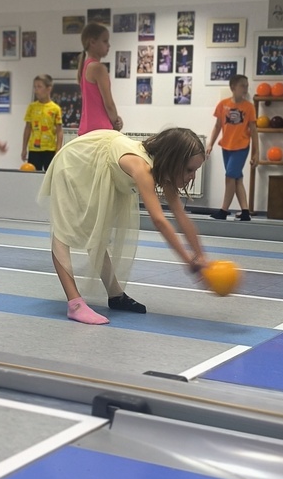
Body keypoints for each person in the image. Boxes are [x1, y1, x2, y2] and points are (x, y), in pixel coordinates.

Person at [40, 128, 208, 325]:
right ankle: (74, 304)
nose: (193, 177)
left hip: (100, 163)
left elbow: (180, 215)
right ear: (173, 161)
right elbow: (159, 220)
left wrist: (201, 256)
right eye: (189, 170)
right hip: (76, 162)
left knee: (97, 231)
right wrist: (189, 261)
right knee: (63, 230)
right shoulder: (141, 168)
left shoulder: (164, 171)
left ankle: (115, 295)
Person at [205, 74, 256, 221]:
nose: (245, 88)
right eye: (242, 85)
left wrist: (256, 153)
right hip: (226, 146)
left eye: (247, 86)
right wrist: (210, 143)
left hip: (241, 147)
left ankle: (223, 210)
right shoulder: (223, 104)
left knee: (229, 177)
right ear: (233, 87)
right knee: (237, 178)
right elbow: (217, 126)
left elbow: (254, 131)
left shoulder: (249, 107)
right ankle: (245, 211)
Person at [77, 23, 122, 134]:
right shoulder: (98, 68)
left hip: (86, 130)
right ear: (92, 42)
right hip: (101, 129)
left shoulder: (85, 66)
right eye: (105, 41)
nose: (109, 45)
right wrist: (116, 122)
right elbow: (109, 104)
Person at [22, 74, 63, 172]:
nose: (36, 90)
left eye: (39, 87)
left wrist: (58, 149)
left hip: (49, 149)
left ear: (48, 89)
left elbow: (59, 131)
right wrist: (24, 148)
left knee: (50, 175)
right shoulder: (32, 107)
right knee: (33, 175)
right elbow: (28, 128)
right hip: (34, 149)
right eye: (35, 87)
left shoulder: (55, 109)